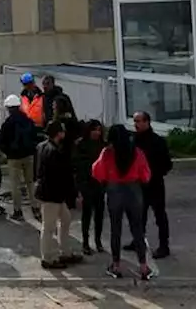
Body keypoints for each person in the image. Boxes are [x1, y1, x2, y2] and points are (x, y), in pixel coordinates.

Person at [92, 124, 153, 280]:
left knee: (115, 230)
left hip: (114, 191)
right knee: (137, 230)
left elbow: (97, 172)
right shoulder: (137, 152)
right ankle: (144, 266)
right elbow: (146, 175)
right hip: (134, 191)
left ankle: (116, 265)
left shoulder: (107, 153)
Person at [34, 121, 80, 269]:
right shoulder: (54, 152)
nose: (65, 133)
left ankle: (64, 251)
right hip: (52, 195)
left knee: (65, 220)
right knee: (48, 227)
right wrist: (71, 193)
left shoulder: (41, 147)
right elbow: (60, 176)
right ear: (59, 133)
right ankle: (47, 258)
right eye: (63, 131)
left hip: (52, 194)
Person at [130, 111, 172, 259]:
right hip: (138, 184)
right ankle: (137, 240)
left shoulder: (157, 141)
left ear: (147, 122)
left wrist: (153, 174)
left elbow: (167, 164)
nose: (136, 124)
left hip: (154, 184)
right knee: (138, 215)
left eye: (139, 121)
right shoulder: (133, 141)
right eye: (135, 121)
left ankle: (164, 245)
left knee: (159, 215)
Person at [0, 93, 39, 221]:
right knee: (30, 183)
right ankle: (35, 208)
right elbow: (35, 137)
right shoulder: (28, 121)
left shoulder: (7, 124)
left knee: (15, 185)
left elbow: (2, 142)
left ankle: (18, 211)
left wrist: (7, 153)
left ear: (8, 108)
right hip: (28, 155)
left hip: (14, 158)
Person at [73, 119, 107, 256]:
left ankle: (98, 241)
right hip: (86, 183)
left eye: (99, 130)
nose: (97, 133)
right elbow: (77, 166)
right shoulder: (80, 144)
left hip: (100, 183)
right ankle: (85, 242)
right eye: (94, 130)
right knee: (87, 214)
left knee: (99, 214)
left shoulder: (103, 145)